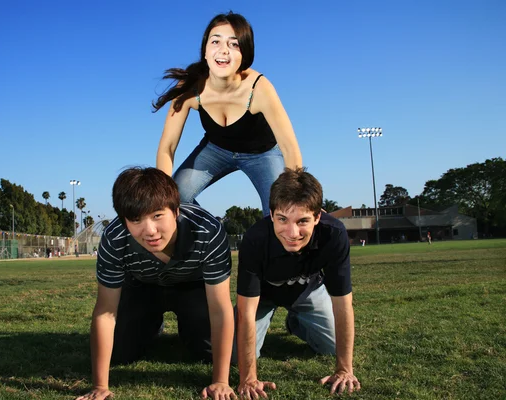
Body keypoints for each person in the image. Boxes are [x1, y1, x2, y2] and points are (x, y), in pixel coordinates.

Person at [77, 167, 236, 400]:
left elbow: (221, 309)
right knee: (119, 352)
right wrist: (100, 386)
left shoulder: (208, 231)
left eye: (157, 216)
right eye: (136, 220)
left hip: (192, 287)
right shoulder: (114, 238)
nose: (150, 230)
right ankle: (152, 325)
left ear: (176, 210)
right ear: (124, 220)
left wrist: (221, 381)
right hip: (143, 287)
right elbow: (105, 311)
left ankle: (189, 327)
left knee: (212, 351)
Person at [153, 12, 302, 215]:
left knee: (282, 210)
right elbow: (167, 147)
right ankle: (210, 230)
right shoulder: (190, 87)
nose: (223, 51)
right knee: (173, 198)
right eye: (216, 41)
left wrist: (295, 195)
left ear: (245, 55)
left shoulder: (259, 88)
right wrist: (162, 192)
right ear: (205, 50)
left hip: (262, 154)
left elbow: (290, 148)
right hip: (215, 150)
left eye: (234, 44)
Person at [235, 168, 361, 398]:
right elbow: (245, 312)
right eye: (282, 219)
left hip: (307, 289)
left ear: (318, 217)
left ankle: (296, 323)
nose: (292, 232)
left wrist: (344, 369)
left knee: (331, 347)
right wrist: (248, 378)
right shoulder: (255, 239)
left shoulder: (333, 234)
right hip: (262, 296)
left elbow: (343, 304)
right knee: (236, 355)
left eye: (303, 220)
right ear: (271, 214)